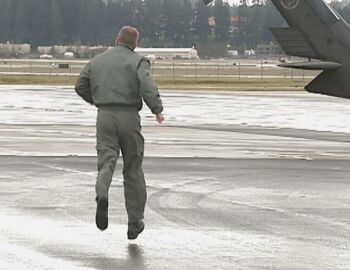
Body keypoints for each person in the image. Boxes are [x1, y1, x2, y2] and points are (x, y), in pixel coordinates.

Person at [75, 26, 164, 240]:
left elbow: (80, 85)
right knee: (133, 169)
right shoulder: (138, 61)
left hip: (105, 116)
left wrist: (97, 100)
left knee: (107, 162)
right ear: (134, 44)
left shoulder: (98, 60)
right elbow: (146, 85)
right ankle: (135, 222)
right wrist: (157, 108)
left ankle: (102, 193)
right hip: (129, 117)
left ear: (117, 39)